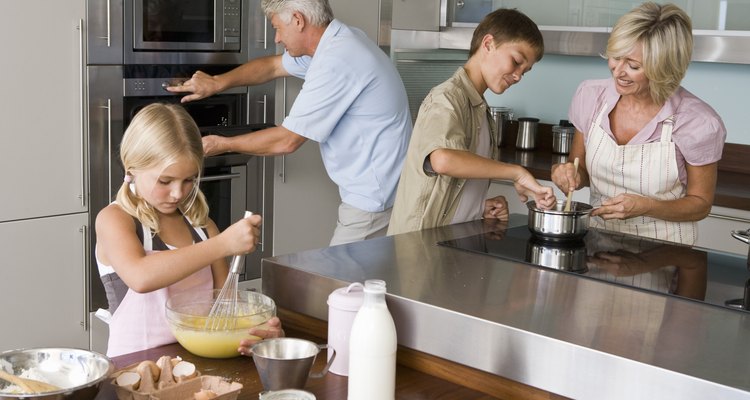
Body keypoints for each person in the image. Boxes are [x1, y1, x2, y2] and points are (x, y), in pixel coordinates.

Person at [166, 0, 412, 246]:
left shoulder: (337, 61)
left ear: (298, 20)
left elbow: (286, 141)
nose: (276, 38)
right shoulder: (338, 42)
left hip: (373, 196)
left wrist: (220, 144)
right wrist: (217, 82)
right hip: (383, 185)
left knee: (339, 278)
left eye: (277, 28)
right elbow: (272, 67)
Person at [95, 103, 282, 357]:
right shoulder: (115, 219)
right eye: (165, 181)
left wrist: (258, 334)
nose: (177, 193)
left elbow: (225, 306)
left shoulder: (202, 226)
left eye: (189, 180)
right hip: (135, 371)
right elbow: (140, 277)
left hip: (199, 364)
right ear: (132, 169)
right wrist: (223, 244)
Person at [550, 2, 726, 245]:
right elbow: (579, 168)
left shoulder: (698, 121)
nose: (618, 71)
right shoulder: (591, 97)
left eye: (633, 66)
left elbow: (700, 204)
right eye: (615, 57)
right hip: (598, 242)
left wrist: (646, 206)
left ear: (663, 67)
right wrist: (567, 173)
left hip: (664, 250)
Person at [387, 9, 555, 236]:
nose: (518, 76)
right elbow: (443, 160)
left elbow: (454, 184)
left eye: (525, 71)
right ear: (488, 44)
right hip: (419, 246)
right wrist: (516, 173)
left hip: (450, 244)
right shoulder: (446, 97)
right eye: (516, 62)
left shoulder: (480, 109)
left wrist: (478, 208)